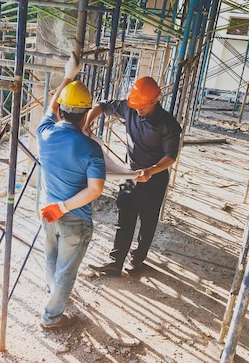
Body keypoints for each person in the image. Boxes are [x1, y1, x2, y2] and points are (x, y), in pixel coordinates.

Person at [85, 76, 182, 275]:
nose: (138, 110)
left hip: (154, 178)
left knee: (148, 221)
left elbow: (170, 156)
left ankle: (137, 259)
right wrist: (86, 124)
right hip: (130, 175)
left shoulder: (168, 125)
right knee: (125, 215)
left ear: (155, 101)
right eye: (135, 106)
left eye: (143, 107)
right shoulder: (130, 107)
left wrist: (151, 171)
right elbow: (102, 106)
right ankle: (115, 262)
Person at [37, 53, 106, 329]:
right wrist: (65, 207)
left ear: (60, 111)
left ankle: (51, 292)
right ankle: (51, 317)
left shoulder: (44, 133)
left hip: (47, 210)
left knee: (51, 258)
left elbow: (49, 107)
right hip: (73, 218)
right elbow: (95, 189)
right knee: (66, 271)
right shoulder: (91, 149)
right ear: (86, 114)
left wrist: (68, 75)